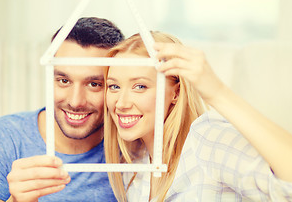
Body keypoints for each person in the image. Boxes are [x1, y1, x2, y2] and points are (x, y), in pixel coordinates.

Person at [104, 31, 292, 201]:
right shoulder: (133, 165)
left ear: (175, 93)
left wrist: (218, 93)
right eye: (114, 86)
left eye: (140, 86)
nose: (121, 103)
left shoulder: (207, 140)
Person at [0, 17, 125, 202]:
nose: (75, 101)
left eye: (94, 84)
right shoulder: (3, 136)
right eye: (64, 81)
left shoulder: (134, 145)